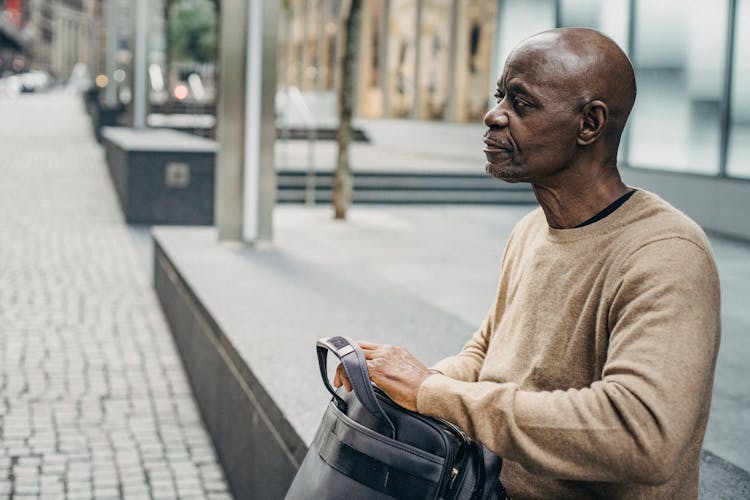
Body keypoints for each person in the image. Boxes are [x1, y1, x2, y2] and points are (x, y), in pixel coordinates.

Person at [334, 27, 721, 499]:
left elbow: (641, 434)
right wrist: (394, 382)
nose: (492, 115)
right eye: (500, 96)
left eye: (520, 102)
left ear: (589, 125)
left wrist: (432, 393)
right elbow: (485, 357)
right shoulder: (530, 231)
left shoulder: (666, 252)